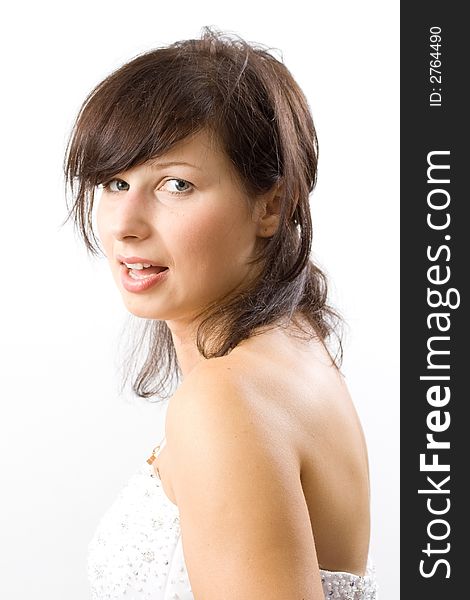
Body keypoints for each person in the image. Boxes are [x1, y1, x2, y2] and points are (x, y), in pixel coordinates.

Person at [64, 26, 377, 600]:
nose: (126, 223)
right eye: (114, 182)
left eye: (176, 184)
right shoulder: (294, 347)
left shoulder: (224, 400)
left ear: (271, 206)